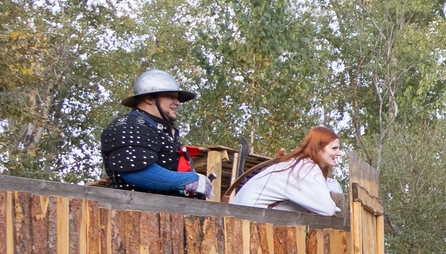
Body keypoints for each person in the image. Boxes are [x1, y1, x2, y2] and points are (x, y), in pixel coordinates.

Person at [101, 69, 212, 198]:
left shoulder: (159, 130)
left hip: (163, 214)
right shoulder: (128, 125)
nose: (177, 102)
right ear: (149, 98)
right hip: (136, 212)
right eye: (171, 96)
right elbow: (136, 172)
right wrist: (189, 180)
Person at [230, 127, 344, 215]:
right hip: (249, 220)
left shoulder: (296, 164)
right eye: (334, 148)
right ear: (318, 148)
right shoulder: (306, 168)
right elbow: (327, 209)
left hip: (241, 215)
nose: (339, 153)